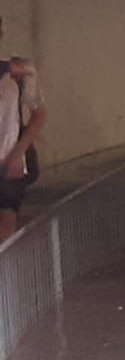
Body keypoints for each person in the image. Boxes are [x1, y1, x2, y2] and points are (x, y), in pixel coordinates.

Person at [0, 55, 47, 240]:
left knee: (6, 229)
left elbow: (39, 114)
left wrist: (19, 153)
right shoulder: (10, 69)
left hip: (8, 158)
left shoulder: (19, 70)